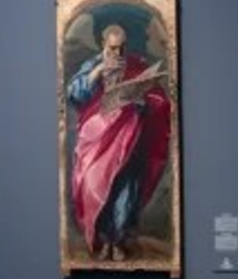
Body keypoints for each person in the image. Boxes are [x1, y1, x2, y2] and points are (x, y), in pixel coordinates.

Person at [65, 22, 174, 262]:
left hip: (129, 138)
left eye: (122, 47)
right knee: (97, 186)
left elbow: (157, 99)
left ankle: (117, 241)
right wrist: (97, 72)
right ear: (103, 44)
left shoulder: (135, 64)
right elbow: (75, 94)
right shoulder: (92, 65)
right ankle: (103, 239)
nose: (118, 53)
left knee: (126, 191)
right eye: (113, 48)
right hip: (97, 137)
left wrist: (142, 101)